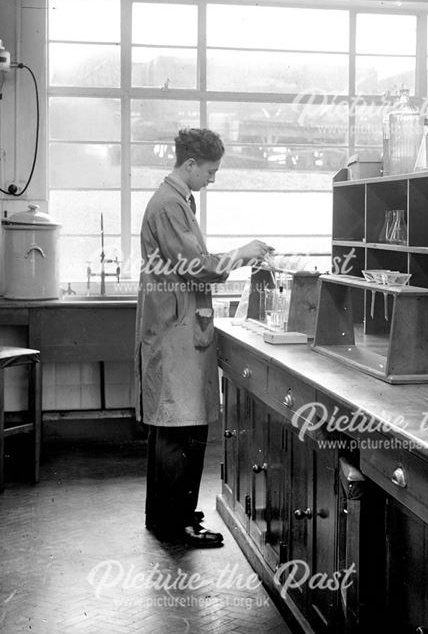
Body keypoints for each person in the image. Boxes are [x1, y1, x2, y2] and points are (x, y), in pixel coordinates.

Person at [135, 128, 273, 547]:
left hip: (176, 324)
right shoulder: (169, 206)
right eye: (211, 170)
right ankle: (177, 524)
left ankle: (166, 515)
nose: (213, 178)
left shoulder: (176, 201)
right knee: (181, 426)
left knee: (172, 425)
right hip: (175, 330)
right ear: (190, 164)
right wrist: (243, 253)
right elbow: (198, 266)